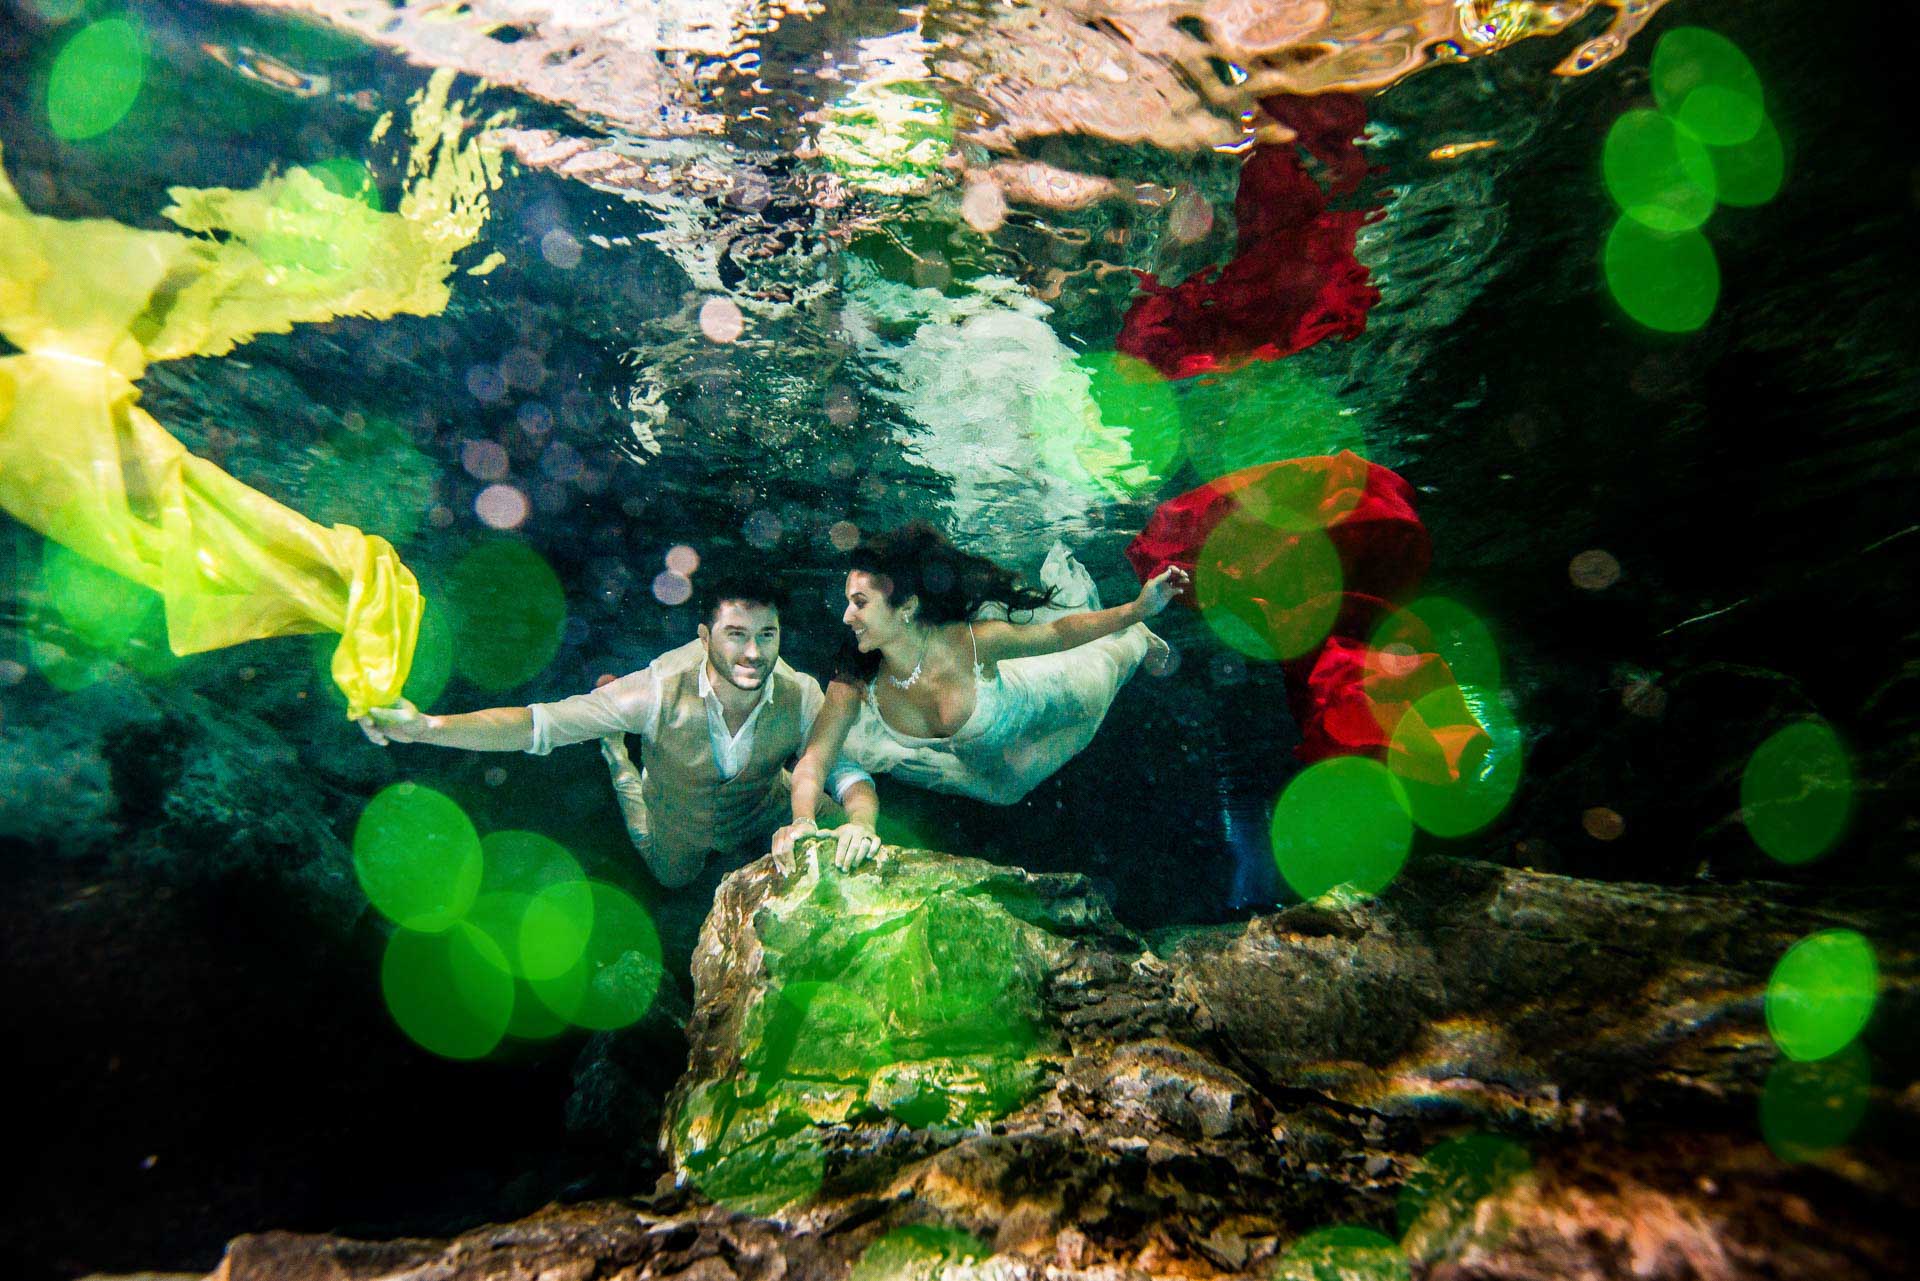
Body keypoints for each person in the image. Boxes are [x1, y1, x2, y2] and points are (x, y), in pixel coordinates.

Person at [359, 571, 882, 886]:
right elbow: (537, 725)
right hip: (678, 820)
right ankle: (616, 756)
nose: (753, 652)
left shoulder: (800, 693)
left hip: (766, 803)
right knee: (672, 876)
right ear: (704, 638)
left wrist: (862, 823)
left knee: (855, 840)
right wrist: (427, 726)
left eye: (767, 635)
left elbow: (844, 769)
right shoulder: (655, 689)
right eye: (735, 635)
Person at [773, 523, 1186, 863]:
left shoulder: (967, 642)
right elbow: (815, 758)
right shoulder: (856, 676)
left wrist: (1137, 608)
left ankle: (1136, 635)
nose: (847, 616)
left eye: (860, 603)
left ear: (907, 607)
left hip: (1048, 699)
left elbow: (1058, 633)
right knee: (1006, 792)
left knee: (1102, 669)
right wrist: (803, 820)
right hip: (999, 779)